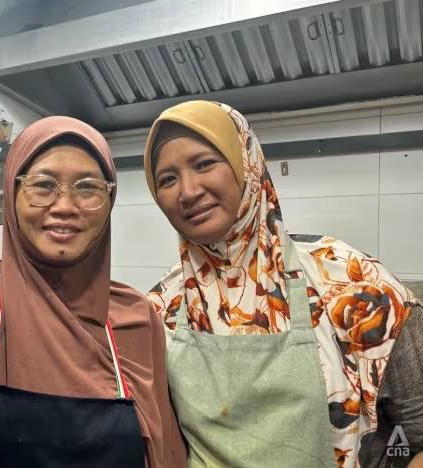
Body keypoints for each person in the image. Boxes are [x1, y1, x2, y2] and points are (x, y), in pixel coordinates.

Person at [143, 100, 423, 468]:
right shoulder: (161, 308)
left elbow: (417, 434)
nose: (188, 191)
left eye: (204, 163)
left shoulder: (351, 281)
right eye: (167, 179)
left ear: (247, 163)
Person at [0, 116, 186, 468]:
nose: (65, 207)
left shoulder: (138, 317)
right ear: (12, 193)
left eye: (87, 187)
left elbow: (164, 457)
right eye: (43, 185)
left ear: (110, 200)